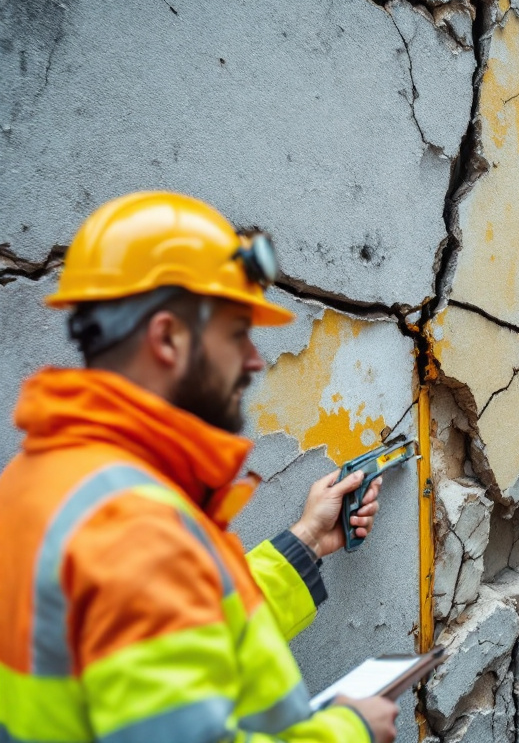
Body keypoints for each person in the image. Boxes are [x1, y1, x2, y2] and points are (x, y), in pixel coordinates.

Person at [0, 192, 399, 743]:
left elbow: (190, 622)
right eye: (237, 333)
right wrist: (351, 730)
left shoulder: (44, 479)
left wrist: (306, 541)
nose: (255, 358)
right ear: (168, 338)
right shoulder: (134, 525)